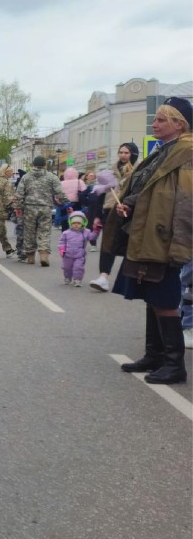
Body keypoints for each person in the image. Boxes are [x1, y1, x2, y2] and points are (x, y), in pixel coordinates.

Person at [108, 97, 192, 384]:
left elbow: (186, 201)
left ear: (180, 124)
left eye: (161, 120)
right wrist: (129, 203)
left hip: (166, 235)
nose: (154, 124)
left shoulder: (188, 152)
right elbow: (147, 188)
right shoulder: (163, 151)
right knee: (152, 294)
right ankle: (154, 355)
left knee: (165, 297)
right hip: (149, 231)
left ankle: (174, 364)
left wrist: (180, 240)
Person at [89, 143, 140, 291]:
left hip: (129, 212)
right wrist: (98, 216)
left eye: (127, 153)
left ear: (133, 154)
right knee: (107, 244)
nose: (123, 155)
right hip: (109, 211)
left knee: (130, 246)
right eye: (121, 152)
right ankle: (103, 277)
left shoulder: (139, 171)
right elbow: (102, 192)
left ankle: (128, 280)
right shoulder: (110, 171)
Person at [14, 155, 66, 266]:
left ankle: (30, 257)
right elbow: (60, 193)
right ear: (44, 165)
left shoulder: (26, 177)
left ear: (33, 165)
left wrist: (18, 207)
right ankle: (43, 255)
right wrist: (66, 203)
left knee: (29, 232)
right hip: (45, 207)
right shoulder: (52, 177)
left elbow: (19, 194)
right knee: (45, 231)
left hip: (29, 208)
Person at [58, 211, 99, 287]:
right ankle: (67, 277)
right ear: (70, 223)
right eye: (74, 223)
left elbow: (92, 237)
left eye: (78, 223)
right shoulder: (66, 233)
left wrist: (96, 231)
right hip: (67, 254)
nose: (76, 225)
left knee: (78, 267)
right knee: (67, 267)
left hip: (79, 255)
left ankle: (77, 279)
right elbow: (62, 241)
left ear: (83, 223)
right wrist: (61, 249)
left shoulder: (86, 232)